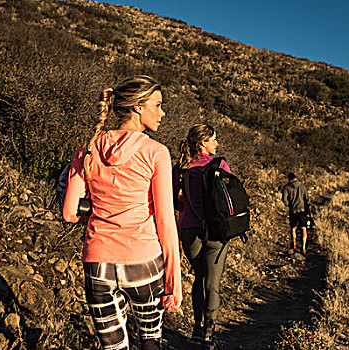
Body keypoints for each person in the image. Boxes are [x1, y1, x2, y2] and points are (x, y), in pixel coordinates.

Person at [62, 76, 182, 350]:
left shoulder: (89, 147)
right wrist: (174, 282)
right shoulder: (156, 152)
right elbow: (165, 221)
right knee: (150, 342)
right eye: (158, 105)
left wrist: (101, 213)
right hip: (144, 262)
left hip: (98, 262)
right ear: (138, 107)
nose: (162, 113)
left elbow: (69, 212)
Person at [172, 124, 231, 348]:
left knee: (199, 277)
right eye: (214, 139)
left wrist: (187, 206)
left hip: (189, 228)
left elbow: (172, 200)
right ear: (204, 142)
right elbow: (229, 200)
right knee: (212, 283)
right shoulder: (220, 165)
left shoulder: (181, 167)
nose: (217, 143)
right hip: (217, 230)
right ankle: (208, 334)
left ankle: (196, 328)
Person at [281, 172, 311, 255]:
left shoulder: (286, 187)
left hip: (293, 210)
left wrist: (289, 205)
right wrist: (308, 210)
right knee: (304, 228)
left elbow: (284, 200)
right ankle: (303, 247)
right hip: (302, 210)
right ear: (296, 177)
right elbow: (307, 199)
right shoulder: (302, 186)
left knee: (293, 228)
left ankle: (294, 244)